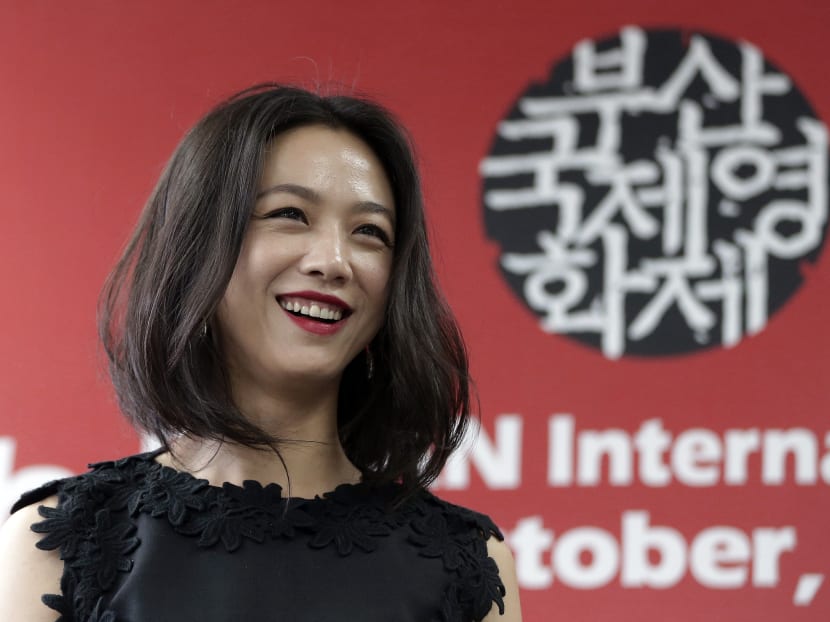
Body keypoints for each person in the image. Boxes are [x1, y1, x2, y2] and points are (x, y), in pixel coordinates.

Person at [0, 84, 521, 621]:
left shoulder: (469, 563)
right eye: (290, 214)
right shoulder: (61, 543)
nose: (334, 261)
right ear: (199, 244)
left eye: (370, 232)